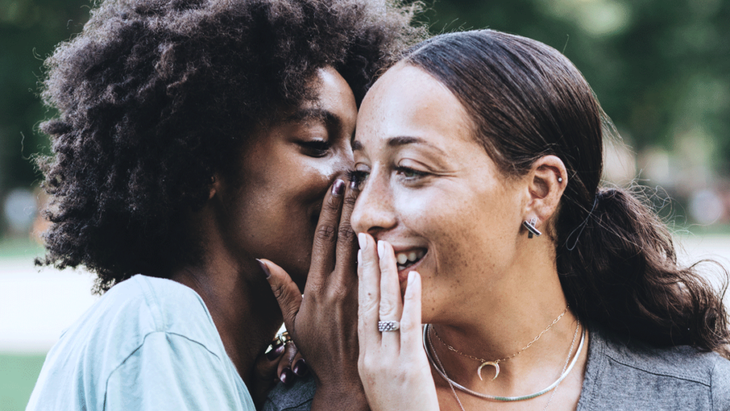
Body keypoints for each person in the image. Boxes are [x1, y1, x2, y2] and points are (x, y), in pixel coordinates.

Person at [26, 0, 422, 409]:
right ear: (199, 166)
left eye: (357, 156)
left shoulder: (217, 360)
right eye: (317, 143)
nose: (356, 178)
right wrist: (342, 391)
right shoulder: (159, 327)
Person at [348, 30, 730, 410]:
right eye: (360, 173)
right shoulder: (320, 394)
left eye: (410, 169)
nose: (364, 215)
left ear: (539, 190)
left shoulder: (702, 395)